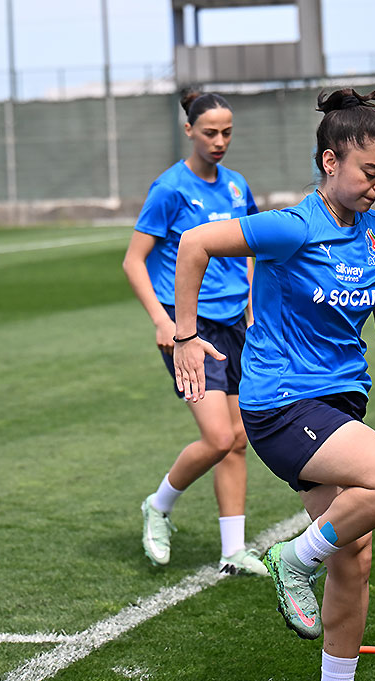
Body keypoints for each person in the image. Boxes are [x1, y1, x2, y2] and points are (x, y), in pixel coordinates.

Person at [172, 84, 375, 681]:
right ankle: (291, 559)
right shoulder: (293, 227)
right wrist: (184, 336)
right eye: (369, 171)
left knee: (356, 552)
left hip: (338, 404)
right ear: (330, 161)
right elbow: (194, 245)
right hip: (281, 403)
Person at [122, 89, 266, 577]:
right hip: (188, 327)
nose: (219, 141)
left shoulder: (237, 186)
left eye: (227, 132)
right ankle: (158, 505)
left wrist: (252, 308)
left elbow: (250, 247)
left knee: (239, 439)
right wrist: (163, 321)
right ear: (189, 131)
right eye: (210, 132)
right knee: (219, 437)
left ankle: (233, 551)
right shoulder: (169, 189)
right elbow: (134, 261)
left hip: (234, 324)